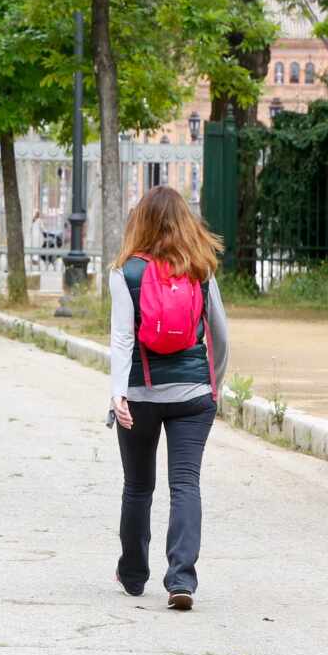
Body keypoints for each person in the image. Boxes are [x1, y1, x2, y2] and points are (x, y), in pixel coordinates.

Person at [108, 185, 229, 611]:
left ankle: (134, 574)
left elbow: (122, 340)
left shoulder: (126, 273)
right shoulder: (201, 269)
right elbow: (219, 333)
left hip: (141, 394)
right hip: (195, 395)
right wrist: (214, 384)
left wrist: (117, 395)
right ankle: (181, 579)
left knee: (138, 486)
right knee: (185, 484)